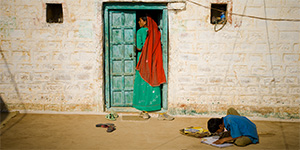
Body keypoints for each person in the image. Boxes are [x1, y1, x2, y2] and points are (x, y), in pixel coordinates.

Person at [132, 16, 167, 119]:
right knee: (152, 78)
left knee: (142, 80)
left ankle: (142, 106)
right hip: (153, 60)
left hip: (143, 59)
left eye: (140, 20)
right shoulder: (155, 32)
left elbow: (139, 47)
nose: (138, 22)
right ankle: (154, 105)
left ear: (144, 21)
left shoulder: (140, 31)